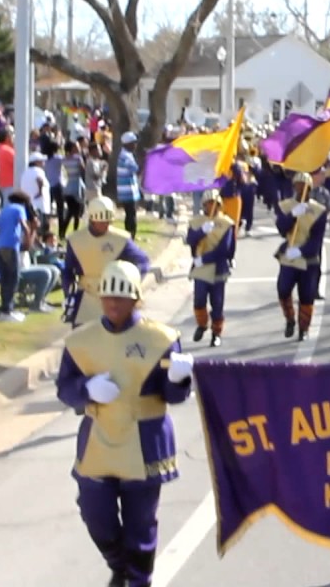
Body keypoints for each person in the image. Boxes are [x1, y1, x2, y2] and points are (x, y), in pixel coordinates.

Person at [55, 260, 196, 587]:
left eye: (121, 297)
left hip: (145, 440)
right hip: (98, 441)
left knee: (141, 523)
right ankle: (119, 565)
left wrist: (178, 379)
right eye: (108, 297)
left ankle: (139, 579)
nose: (113, 304)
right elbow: (65, 387)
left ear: (136, 299)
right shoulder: (81, 341)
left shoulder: (160, 338)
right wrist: (86, 390)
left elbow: (172, 396)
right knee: (95, 514)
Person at [63, 196, 151, 328]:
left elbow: (142, 261)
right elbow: (68, 271)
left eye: (108, 221)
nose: (106, 225)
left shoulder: (120, 239)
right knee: (81, 341)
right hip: (86, 297)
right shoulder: (75, 240)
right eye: (102, 222)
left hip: (115, 295)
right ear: (92, 220)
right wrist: (68, 294)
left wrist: (131, 281)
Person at [274, 172, 328, 341]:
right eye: (298, 185)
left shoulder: (319, 211)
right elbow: (282, 229)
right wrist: (292, 215)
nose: (301, 189)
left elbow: (317, 240)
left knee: (306, 296)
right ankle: (289, 319)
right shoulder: (286, 206)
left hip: (308, 258)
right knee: (283, 290)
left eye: (304, 186)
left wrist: (301, 250)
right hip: (289, 256)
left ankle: (303, 328)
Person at [186, 189, 234, 347]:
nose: (211, 206)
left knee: (217, 303)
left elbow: (225, 250)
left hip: (218, 268)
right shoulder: (196, 222)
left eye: (214, 203)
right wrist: (201, 232)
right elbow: (190, 240)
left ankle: (216, 333)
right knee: (199, 300)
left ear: (219, 205)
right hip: (200, 269)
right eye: (208, 204)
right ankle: (202, 324)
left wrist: (204, 259)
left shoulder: (226, 223)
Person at [0, 192, 34, 323]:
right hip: (11, 246)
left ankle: (5, 309)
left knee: (5, 278)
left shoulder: (4, 210)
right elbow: (24, 226)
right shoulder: (20, 209)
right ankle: (7, 311)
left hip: (0, 246)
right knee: (13, 277)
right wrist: (27, 241)